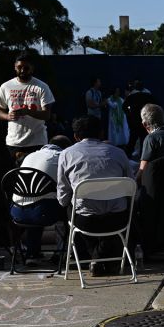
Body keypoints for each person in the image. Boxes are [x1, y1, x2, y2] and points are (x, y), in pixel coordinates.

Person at [56, 114, 135, 275]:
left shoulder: (66, 154)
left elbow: (63, 196)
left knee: (70, 209)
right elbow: (132, 188)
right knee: (121, 213)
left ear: (76, 136)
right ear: (101, 133)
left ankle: (95, 257)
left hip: (85, 221)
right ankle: (105, 258)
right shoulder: (119, 153)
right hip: (117, 220)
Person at [10, 135, 69, 260]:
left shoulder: (30, 156)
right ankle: (61, 252)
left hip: (17, 212)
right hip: (43, 213)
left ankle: (32, 253)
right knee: (67, 205)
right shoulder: (62, 157)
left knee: (36, 199)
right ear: (66, 148)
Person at [0, 53, 55, 162]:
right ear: (15, 67)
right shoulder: (6, 86)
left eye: (26, 68)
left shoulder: (42, 86)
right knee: (16, 174)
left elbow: (47, 115)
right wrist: (7, 116)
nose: (22, 70)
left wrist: (28, 111)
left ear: (32, 68)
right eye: (19, 67)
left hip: (37, 141)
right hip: (14, 142)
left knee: (36, 174)